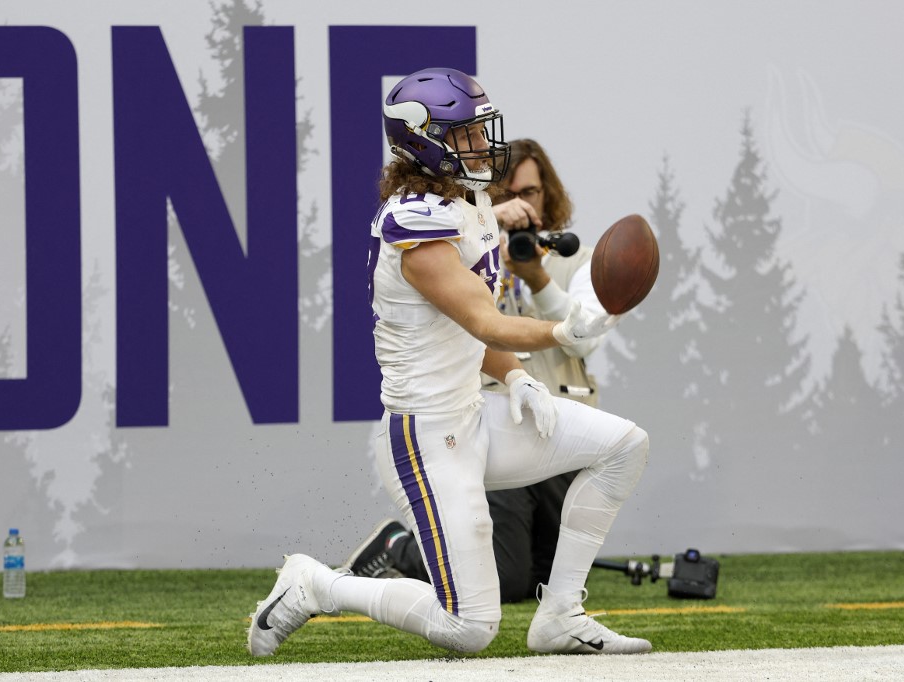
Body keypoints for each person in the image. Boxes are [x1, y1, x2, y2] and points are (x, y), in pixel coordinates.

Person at [247, 67, 650, 657]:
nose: (483, 144)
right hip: (427, 434)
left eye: (481, 130)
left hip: (474, 412)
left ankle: (561, 615)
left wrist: (514, 375)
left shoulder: (470, 203)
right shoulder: (415, 224)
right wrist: (565, 329)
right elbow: (483, 319)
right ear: (422, 140)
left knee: (624, 447)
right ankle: (319, 584)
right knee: (471, 627)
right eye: (465, 134)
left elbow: (467, 332)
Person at [341, 138, 610, 605]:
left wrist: (536, 277)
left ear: (550, 195)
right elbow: (485, 325)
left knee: (543, 582)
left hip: (559, 418)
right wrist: (489, 248)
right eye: (510, 196)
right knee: (504, 580)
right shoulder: (458, 244)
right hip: (492, 417)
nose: (523, 206)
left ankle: (559, 614)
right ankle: (397, 548)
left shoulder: (576, 257)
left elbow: (588, 333)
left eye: (532, 193)